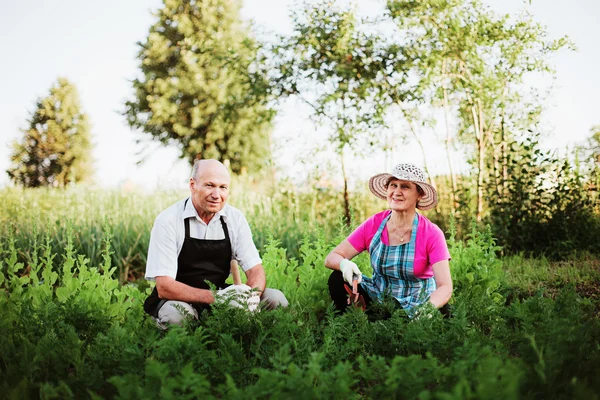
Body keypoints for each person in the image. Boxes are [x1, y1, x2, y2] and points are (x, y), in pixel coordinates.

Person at [143, 159, 288, 328]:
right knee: (178, 318)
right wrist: (220, 298)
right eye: (210, 185)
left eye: (223, 187)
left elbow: (256, 270)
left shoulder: (234, 219)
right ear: (192, 185)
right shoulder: (168, 221)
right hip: (178, 298)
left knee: (276, 300)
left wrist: (250, 299)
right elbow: (165, 287)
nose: (217, 194)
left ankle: (255, 346)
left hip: (221, 294)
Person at [324, 163, 452, 317]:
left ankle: (394, 325)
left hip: (417, 303)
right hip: (379, 297)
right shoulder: (374, 224)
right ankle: (352, 328)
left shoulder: (431, 233)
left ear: (419, 195)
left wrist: (425, 311)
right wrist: (344, 264)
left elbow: (445, 287)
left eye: (405, 187)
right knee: (337, 278)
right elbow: (332, 257)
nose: (397, 192)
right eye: (393, 185)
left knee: (443, 314)